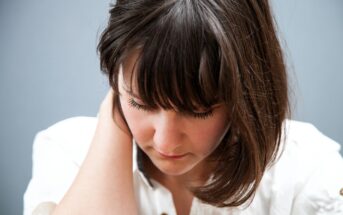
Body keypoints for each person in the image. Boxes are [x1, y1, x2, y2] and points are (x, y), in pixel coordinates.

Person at [24, 0, 343, 214]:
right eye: (141, 102)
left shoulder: (306, 167)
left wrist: (133, 98)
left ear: (244, 92)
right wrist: (116, 112)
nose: (164, 142)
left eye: (198, 110)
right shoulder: (67, 152)